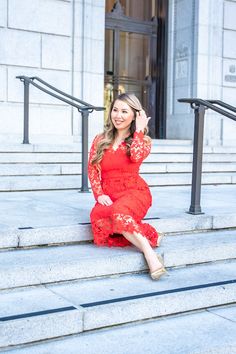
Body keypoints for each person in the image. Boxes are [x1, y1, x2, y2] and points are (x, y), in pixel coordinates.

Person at [88, 93, 166, 280]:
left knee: (119, 213)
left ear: (134, 115)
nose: (118, 115)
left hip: (134, 193)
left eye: (124, 111)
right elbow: (92, 169)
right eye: (115, 110)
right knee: (98, 216)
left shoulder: (143, 141)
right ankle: (148, 234)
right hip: (109, 195)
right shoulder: (100, 139)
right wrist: (99, 194)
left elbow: (136, 157)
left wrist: (139, 130)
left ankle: (150, 255)